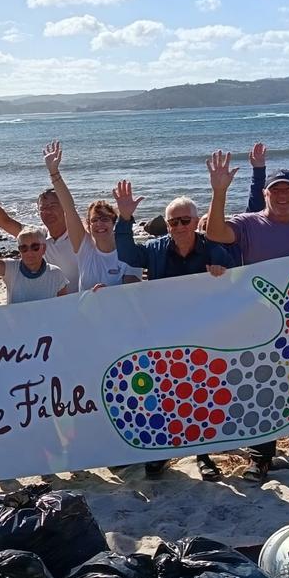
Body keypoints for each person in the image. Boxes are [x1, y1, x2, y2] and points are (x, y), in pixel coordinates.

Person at [204, 150, 289, 482]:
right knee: (263, 387)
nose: (283, 195)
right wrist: (219, 192)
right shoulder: (249, 224)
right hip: (260, 326)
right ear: (266, 194)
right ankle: (260, 458)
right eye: (276, 190)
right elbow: (214, 233)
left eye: (288, 189)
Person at [115, 180, 236, 480]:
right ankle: (163, 453)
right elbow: (127, 254)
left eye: (185, 220)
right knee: (162, 394)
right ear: (167, 224)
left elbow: (235, 281)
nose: (180, 226)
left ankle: (204, 455)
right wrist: (124, 217)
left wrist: (223, 274)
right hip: (164, 335)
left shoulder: (214, 250)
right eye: (173, 221)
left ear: (196, 222)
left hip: (202, 336)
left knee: (201, 395)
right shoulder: (155, 250)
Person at [39, 140, 141, 291]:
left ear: (114, 223)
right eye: (94, 220)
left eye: (105, 219)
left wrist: (108, 292)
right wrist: (54, 173)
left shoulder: (130, 253)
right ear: (89, 224)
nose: (99, 224)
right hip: (87, 313)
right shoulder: (85, 248)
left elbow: (133, 291)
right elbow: (69, 209)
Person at [0, 159, 81, 292]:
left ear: (64, 207)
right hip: (50, 304)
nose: (47, 211)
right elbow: (4, 222)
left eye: (53, 206)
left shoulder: (79, 235)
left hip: (79, 303)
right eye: (43, 208)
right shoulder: (37, 236)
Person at [196, 141, 269, 265]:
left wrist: (259, 170)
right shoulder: (197, 252)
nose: (212, 225)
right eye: (205, 226)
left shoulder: (240, 242)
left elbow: (255, 209)